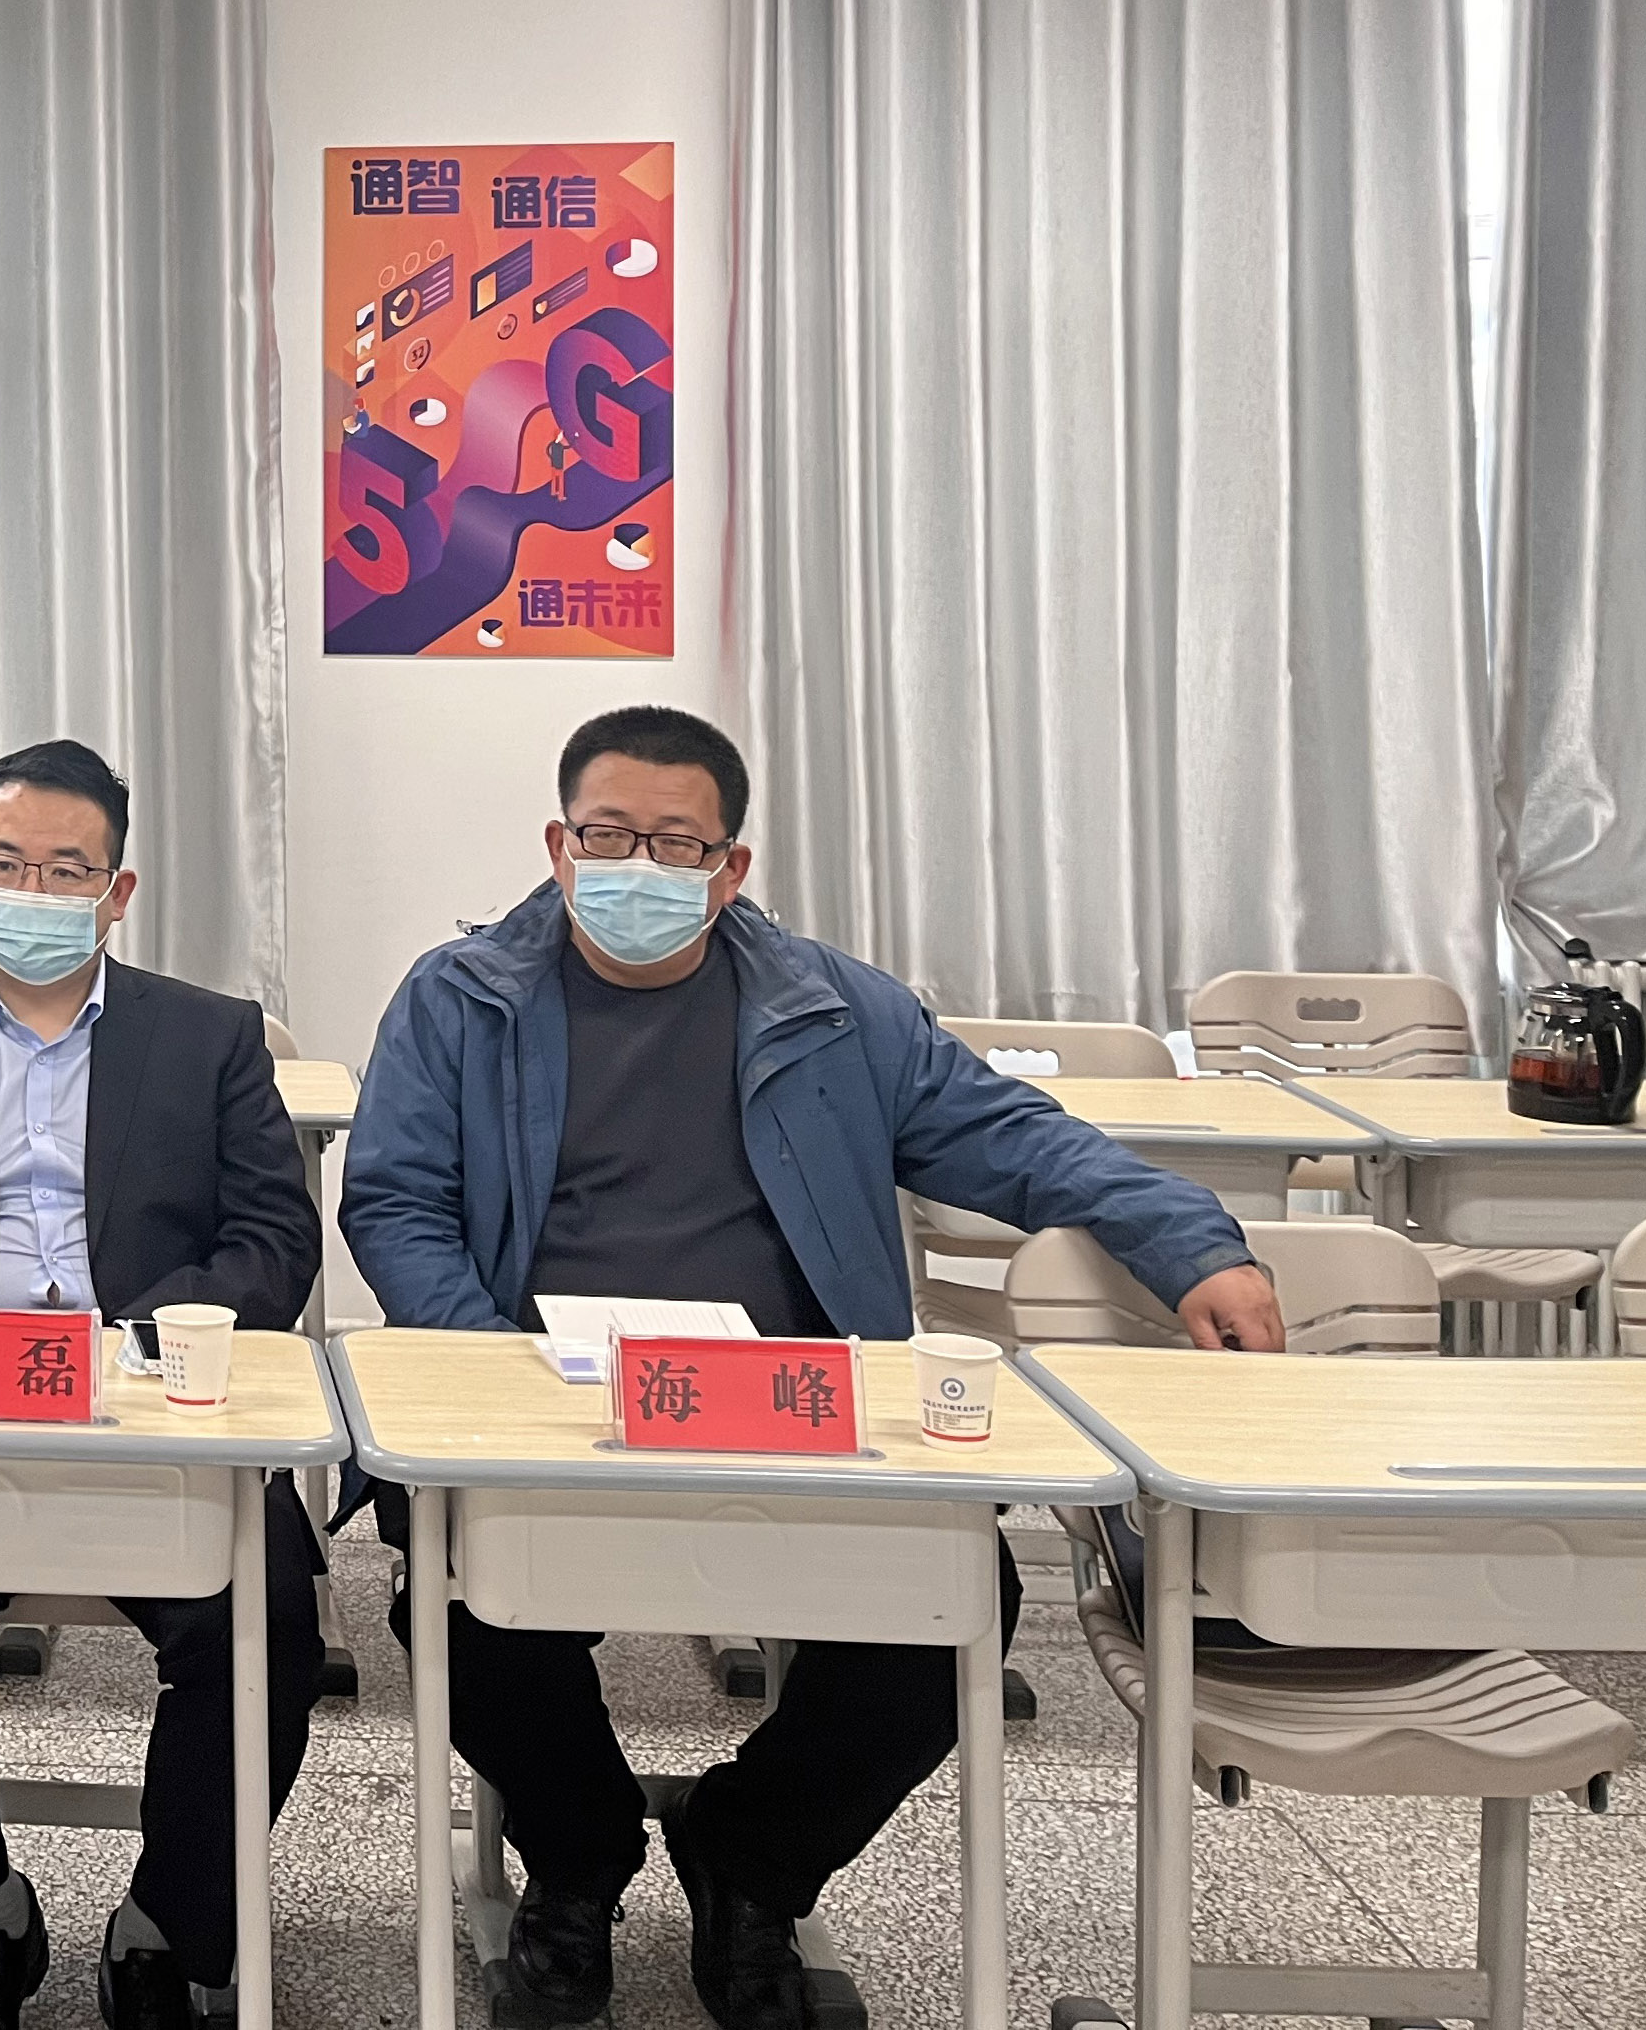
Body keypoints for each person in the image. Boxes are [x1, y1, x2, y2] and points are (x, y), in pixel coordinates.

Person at [339, 706, 1287, 2030]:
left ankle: (749, 1855)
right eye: (606, 835)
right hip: (537, 1400)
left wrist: (1188, 1242)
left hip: (790, 1410)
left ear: (729, 866)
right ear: (557, 845)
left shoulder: (834, 1009)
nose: (635, 865)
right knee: (451, 1604)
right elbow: (393, 1200)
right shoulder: (459, 998)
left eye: (675, 843)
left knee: (948, 1612)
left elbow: (1021, 1141)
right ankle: (578, 1853)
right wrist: (490, 1367)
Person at [0, 740, 327, 2030]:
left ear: (116, 891)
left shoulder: (208, 1039)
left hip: (157, 1422)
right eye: (8, 864)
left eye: (67, 869)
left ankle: (167, 1929)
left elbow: (273, 1242)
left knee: (266, 1620)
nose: (32, 890)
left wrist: (141, 1344)